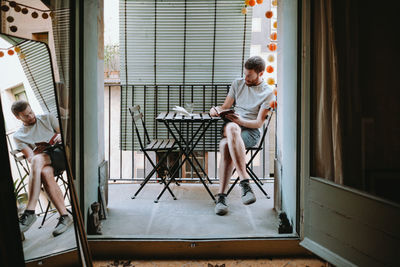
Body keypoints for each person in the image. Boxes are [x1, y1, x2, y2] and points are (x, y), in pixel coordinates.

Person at [209, 56, 275, 215]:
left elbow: (259, 123)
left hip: (251, 131)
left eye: (250, 76)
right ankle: (245, 181)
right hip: (232, 125)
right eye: (244, 74)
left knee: (226, 146)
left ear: (261, 74)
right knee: (232, 128)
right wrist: (215, 110)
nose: (245, 78)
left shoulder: (267, 92)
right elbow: (225, 107)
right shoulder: (237, 83)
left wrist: (241, 120)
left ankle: (222, 197)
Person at [11, 100, 73, 236]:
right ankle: (64, 216)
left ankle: (30, 211)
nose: (31, 116)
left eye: (31, 112)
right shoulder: (18, 136)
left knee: (39, 161)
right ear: (18, 117)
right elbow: (31, 158)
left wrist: (59, 136)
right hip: (46, 160)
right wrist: (38, 151)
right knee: (44, 172)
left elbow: (66, 135)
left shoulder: (47, 117)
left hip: (63, 154)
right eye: (26, 116)